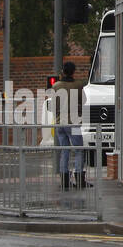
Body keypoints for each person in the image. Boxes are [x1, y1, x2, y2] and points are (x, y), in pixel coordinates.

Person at [52, 62, 85, 190]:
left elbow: (53, 105)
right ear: (73, 71)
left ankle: (65, 180)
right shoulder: (78, 85)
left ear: (63, 71)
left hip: (60, 123)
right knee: (79, 150)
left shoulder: (56, 86)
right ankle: (79, 179)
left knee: (64, 150)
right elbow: (84, 100)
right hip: (74, 123)